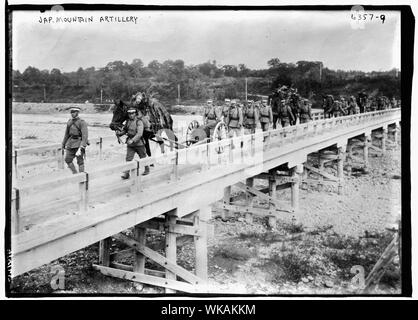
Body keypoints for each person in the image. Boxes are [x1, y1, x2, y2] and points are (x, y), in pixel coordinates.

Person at [117, 107, 149, 178]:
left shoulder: (139, 121)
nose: (131, 115)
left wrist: (133, 140)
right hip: (130, 144)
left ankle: (147, 169)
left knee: (143, 157)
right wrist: (120, 133)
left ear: (135, 114)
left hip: (139, 143)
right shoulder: (128, 121)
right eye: (129, 114)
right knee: (128, 158)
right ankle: (127, 173)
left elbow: (139, 133)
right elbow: (125, 130)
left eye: (132, 113)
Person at [62, 107, 88, 174]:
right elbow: (66, 134)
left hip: (79, 143)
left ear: (77, 112)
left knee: (80, 161)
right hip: (70, 144)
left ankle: (81, 176)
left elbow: (85, 135)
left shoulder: (82, 122)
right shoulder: (69, 122)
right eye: (71, 112)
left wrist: (82, 146)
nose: (72, 114)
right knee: (67, 159)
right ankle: (75, 173)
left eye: (74, 112)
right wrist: (63, 144)